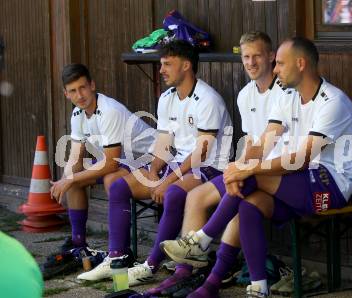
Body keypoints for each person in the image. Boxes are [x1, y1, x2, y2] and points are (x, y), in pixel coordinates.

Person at [162, 37, 352, 298]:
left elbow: (301, 158)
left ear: (300, 64)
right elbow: (263, 143)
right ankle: (255, 288)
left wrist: (248, 171)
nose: (276, 69)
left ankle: (202, 240)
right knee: (249, 204)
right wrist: (241, 167)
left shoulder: (332, 102)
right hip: (298, 181)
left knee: (251, 178)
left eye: (280, 63)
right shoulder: (288, 96)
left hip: (330, 187)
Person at [77, 40, 233, 292]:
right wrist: (152, 172)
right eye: (161, 64)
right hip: (176, 164)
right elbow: (164, 143)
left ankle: (151, 266)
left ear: (186, 65)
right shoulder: (166, 98)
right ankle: (118, 259)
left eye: (167, 64)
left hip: (209, 166)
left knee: (171, 193)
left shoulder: (208, 99)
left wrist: (166, 180)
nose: (161, 70)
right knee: (118, 186)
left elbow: (200, 153)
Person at [153, 31, 295, 297]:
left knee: (240, 197)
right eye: (246, 57)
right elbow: (253, 142)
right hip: (253, 168)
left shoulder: (286, 93)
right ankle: (188, 272)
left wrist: (242, 169)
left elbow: (281, 145)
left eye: (256, 56)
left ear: (271, 56)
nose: (251, 62)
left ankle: (214, 275)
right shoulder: (245, 95)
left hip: (279, 172)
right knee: (195, 197)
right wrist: (237, 167)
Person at [46, 63, 155, 278]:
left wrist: (70, 179)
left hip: (150, 160)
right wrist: (64, 181)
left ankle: (120, 255)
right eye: (73, 90)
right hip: (124, 162)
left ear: (92, 85)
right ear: (66, 94)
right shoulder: (77, 114)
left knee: (111, 180)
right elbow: (76, 158)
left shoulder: (110, 111)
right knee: (73, 180)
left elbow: (111, 164)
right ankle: (79, 246)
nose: (80, 95)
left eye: (83, 87)